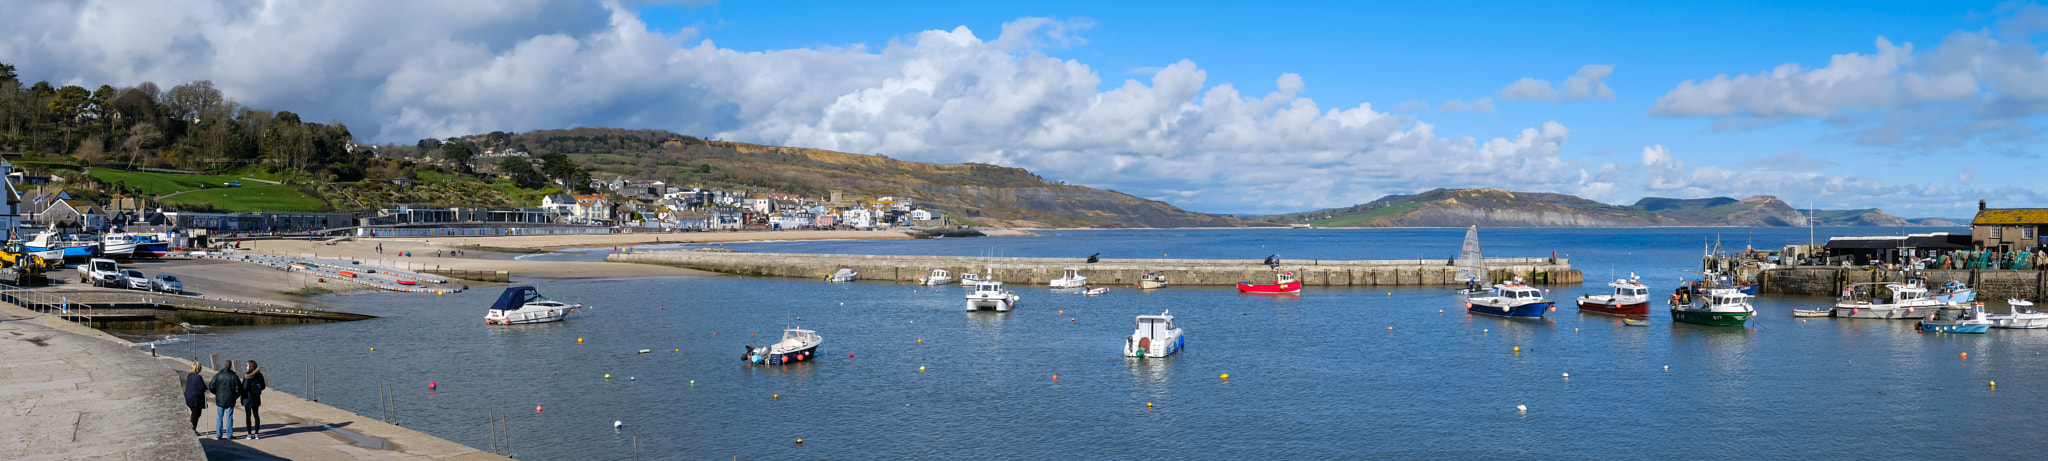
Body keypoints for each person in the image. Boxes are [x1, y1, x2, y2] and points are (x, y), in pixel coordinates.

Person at [209, 361, 242, 440]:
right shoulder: (234, 376)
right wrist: (234, 397)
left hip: (220, 399)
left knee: (219, 417)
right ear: (230, 366)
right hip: (230, 399)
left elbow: (211, 386)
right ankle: (229, 435)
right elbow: (239, 389)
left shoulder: (218, 375)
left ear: (224, 366)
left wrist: (217, 394)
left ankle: (219, 435)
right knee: (229, 417)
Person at [240, 360, 267, 439]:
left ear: (250, 366)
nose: (246, 366)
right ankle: (256, 434)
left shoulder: (247, 375)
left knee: (248, 416)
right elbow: (263, 386)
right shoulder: (259, 375)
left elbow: (244, 387)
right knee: (256, 415)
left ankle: (249, 434)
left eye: (247, 365)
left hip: (248, 398)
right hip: (256, 397)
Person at [182, 362, 208, 435]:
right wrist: (205, 388)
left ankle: (193, 428)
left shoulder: (189, 376)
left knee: (194, 413)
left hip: (189, 397)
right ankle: (192, 430)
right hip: (195, 399)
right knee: (196, 414)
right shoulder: (198, 377)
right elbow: (202, 387)